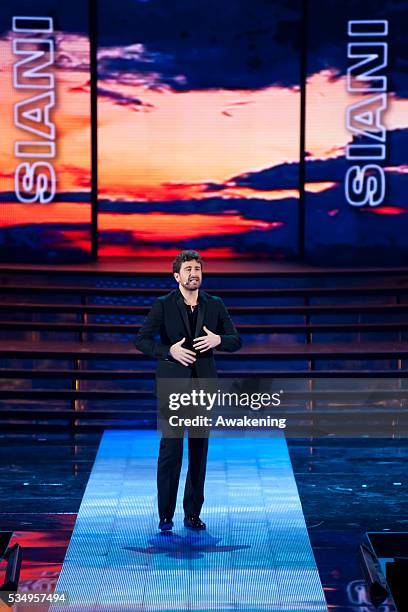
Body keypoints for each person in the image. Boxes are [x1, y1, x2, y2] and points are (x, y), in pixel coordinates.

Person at [135, 250, 242, 531]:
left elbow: (235, 341)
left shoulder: (215, 304)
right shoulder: (163, 305)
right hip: (173, 386)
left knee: (198, 449)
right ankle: (165, 514)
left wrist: (219, 339)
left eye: (197, 268)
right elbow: (142, 340)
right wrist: (168, 351)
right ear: (176, 276)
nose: (193, 273)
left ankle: (192, 512)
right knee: (171, 449)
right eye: (188, 269)